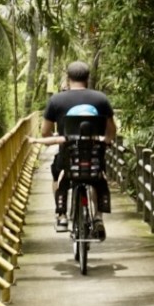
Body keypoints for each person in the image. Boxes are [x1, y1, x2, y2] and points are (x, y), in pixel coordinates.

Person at [38, 61, 117, 234]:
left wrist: (57, 139)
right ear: (87, 79)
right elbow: (111, 129)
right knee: (98, 177)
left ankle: (61, 216)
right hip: (94, 157)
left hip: (68, 157)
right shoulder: (101, 99)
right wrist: (107, 141)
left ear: (68, 78)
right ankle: (97, 218)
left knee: (57, 174)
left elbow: (45, 132)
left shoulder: (56, 99)